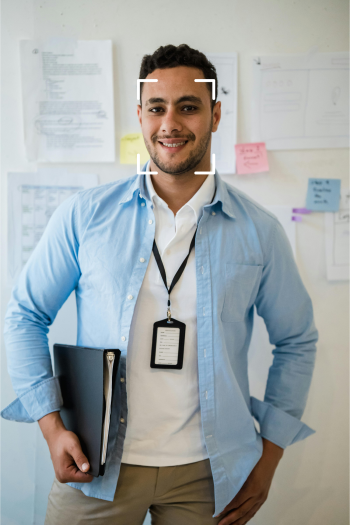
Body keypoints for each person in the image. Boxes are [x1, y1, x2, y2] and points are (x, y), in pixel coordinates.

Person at [1, 44, 318, 525]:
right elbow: (25, 315)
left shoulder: (259, 231)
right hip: (96, 466)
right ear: (141, 115)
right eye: (156, 107)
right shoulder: (85, 217)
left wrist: (268, 459)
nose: (170, 123)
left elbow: (296, 341)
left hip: (210, 475)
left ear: (214, 114)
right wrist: (50, 427)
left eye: (188, 107)